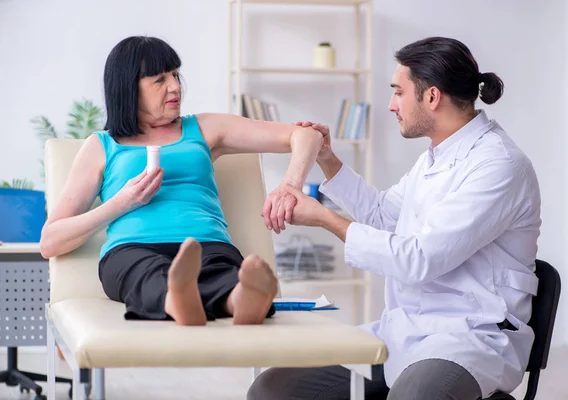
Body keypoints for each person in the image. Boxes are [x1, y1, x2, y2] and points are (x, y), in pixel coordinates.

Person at [249, 36, 541, 400]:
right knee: (273, 389)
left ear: (431, 97)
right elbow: (382, 215)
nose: (390, 105)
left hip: (470, 338)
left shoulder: (499, 165)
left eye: (398, 92)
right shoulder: (435, 157)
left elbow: (419, 260)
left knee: (414, 395)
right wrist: (327, 158)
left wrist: (325, 219)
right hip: (406, 330)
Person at [39, 36, 324, 326]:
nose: (175, 86)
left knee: (222, 273)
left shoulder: (205, 128)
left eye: (175, 74)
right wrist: (121, 204)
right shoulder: (102, 146)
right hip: (133, 248)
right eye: (159, 79)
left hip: (206, 244)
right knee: (147, 273)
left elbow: (306, 135)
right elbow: (50, 242)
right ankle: (179, 297)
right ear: (128, 87)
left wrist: (290, 185)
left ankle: (242, 300)